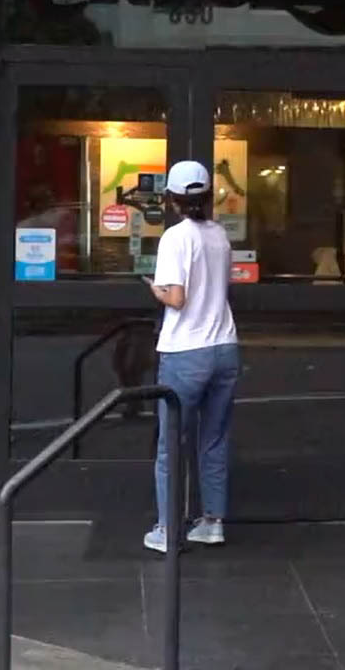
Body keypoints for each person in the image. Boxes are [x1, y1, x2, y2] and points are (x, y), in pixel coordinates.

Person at [141, 159, 239, 553]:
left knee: (171, 445)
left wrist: (155, 290)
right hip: (225, 346)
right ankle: (212, 523)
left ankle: (167, 530)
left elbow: (177, 298)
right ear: (209, 196)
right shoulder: (220, 236)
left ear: (171, 199)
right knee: (214, 438)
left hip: (186, 352)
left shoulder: (175, 238)